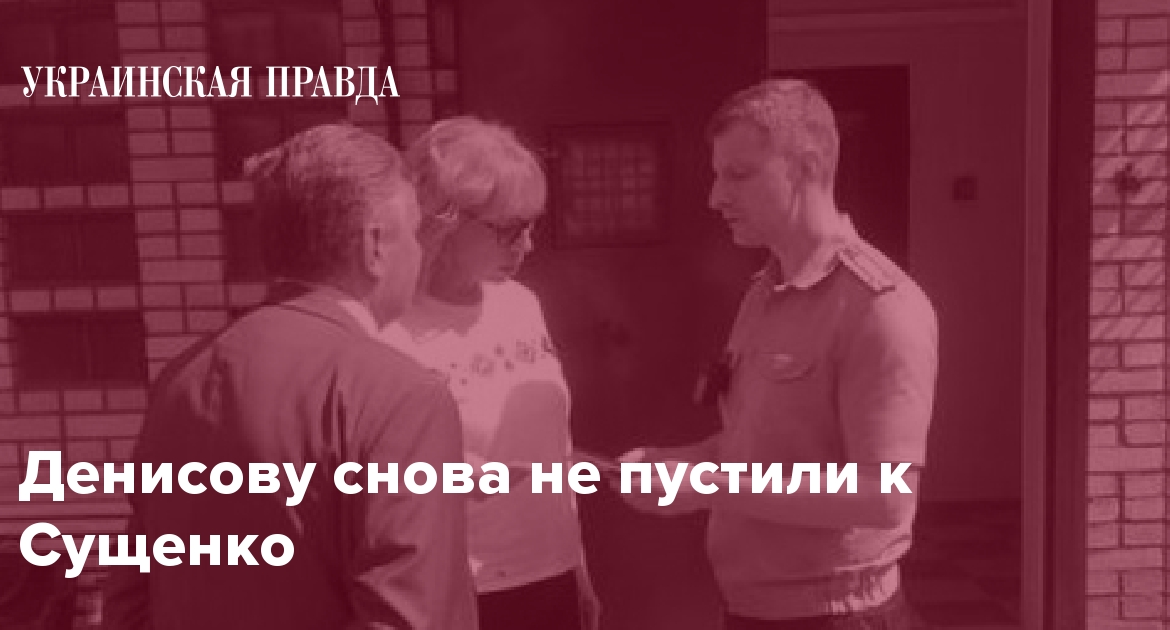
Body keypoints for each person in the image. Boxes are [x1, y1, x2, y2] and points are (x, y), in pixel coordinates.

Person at [102, 123, 477, 630]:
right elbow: (414, 616)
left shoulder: (181, 379)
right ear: (374, 244)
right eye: (413, 231)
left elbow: (130, 594)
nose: (420, 251)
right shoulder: (402, 396)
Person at [613, 79, 938, 629]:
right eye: (718, 175)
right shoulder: (765, 294)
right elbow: (757, 445)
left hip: (837, 617)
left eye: (738, 175)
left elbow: (885, 497)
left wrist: (707, 487)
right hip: (753, 610)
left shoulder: (880, 308)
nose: (716, 197)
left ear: (806, 168)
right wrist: (678, 465)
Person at [381, 116, 600, 630]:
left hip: (552, 572)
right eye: (509, 230)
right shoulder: (389, 327)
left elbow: (553, 445)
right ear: (443, 220)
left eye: (532, 226)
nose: (527, 246)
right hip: (461, 590)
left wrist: (580, 571)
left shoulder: (521, 305)